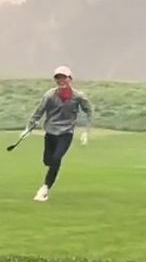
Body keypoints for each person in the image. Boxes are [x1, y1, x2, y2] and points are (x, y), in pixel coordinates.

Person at [17, 66, 94, 202]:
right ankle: (51, 172)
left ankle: (45, 189)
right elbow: (38, 112)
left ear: (70, 79)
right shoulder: (50, 96)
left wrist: (86, 132)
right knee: (48, 160)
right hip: (51, 132)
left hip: (66, 133)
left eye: (64, 77)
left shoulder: (78, 97)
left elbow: (89, 111)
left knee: (56, 159)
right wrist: (28, 128)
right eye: (58, 78)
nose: (61, 80)